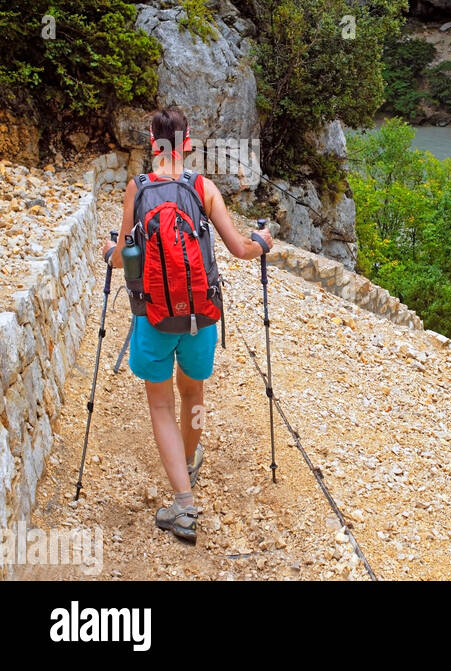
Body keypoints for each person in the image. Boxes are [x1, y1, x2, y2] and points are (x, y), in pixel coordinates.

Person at [101, 108, 273, 542]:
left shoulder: (137, 189)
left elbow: (123, 254)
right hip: (202, 316)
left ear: (152, 140)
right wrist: (262, 242)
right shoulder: (203, 187)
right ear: (188, 141)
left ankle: (182, 505)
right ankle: (190, 459)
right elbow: (238, 249)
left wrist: (110, 252)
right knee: (193, 393)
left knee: (160, 404)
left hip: (155, 317)